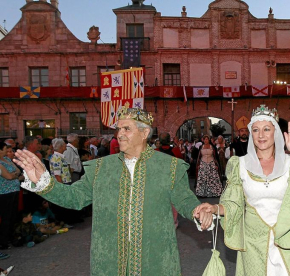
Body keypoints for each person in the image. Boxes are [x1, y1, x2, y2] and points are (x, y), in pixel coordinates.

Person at [15, 106, 213, 276]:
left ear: (144, 134)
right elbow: (74, 198)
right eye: (118, 129)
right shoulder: (101, 168)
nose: (119, 134)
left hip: (155, 258)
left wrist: (198, 210)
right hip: (110, 260)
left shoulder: (169, 167)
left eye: (127, 129)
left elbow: (184, 200)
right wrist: (44, 181)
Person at [196, 105, 290, 275]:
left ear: (275, 132)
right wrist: (214, 208)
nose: (261, 135)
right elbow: (234, 204)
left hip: (286, 238)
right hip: (253, 243)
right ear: (251, 134)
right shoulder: (240, 165)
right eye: (255, 130)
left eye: (266, 129)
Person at [0, 142, 22, 250]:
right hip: (4, 193)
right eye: (5, 149)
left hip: (14, 190)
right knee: (6, 217)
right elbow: (8, 176)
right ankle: (4, 241)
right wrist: (14, 175)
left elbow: (18, 170)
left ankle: (12, 237)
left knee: (13, 216)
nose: (6, 151)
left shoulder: (7, 160)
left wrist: (14, 175)